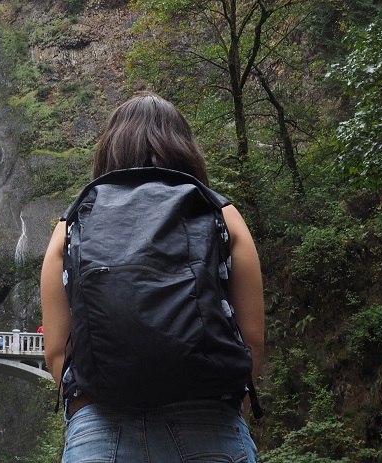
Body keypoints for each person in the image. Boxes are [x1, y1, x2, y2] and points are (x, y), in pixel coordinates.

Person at [40, 92, 264, 463]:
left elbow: (57, 353)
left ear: (109, 149)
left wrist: (84, 410)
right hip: (209, 423)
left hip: (100, 429)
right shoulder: (221, 213)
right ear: (186, 148)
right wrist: (226, 409)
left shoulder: (72, 223)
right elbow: (252, 341)